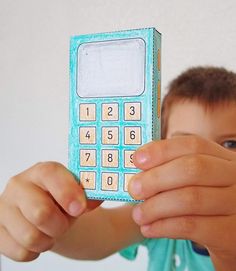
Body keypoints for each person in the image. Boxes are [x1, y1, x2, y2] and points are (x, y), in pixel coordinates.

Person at [0, 66, 236, 271]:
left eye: (230, 144)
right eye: (183, 144)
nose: (203, 162)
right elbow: (104, 231)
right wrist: (44, 216)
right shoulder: (155, 212)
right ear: (158, 146)